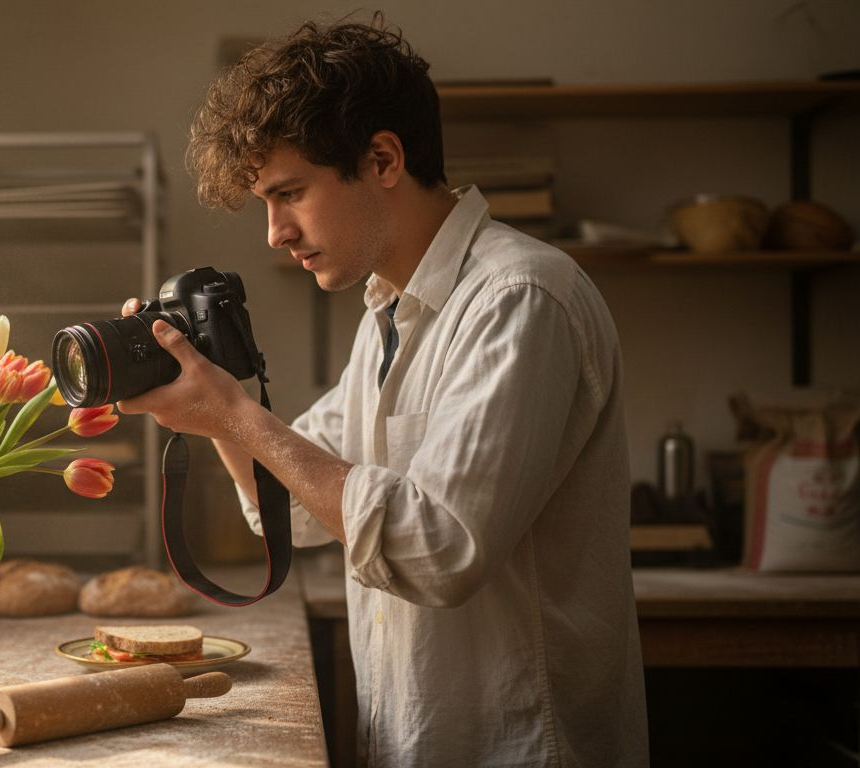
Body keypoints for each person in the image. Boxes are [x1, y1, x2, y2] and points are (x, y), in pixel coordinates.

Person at [116, 13, 649, 768]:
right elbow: (300, 508)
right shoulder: (389, 311)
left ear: (383, 159)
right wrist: (208, 405)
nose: (274, 233)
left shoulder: (521, 297)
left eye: (290, 193)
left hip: (522, 747)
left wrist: (234, 413)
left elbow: (437, 551)